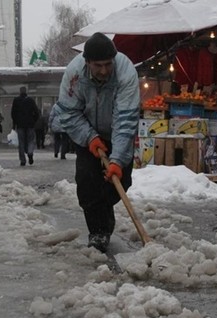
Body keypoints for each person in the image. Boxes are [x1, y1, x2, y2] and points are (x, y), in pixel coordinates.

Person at [54, 32, 140, 252]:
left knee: (117, 184)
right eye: (98, 65)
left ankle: (104, 213)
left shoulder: (125, 72)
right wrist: (90, 137)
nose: (104, 70)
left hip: (117, 132)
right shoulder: (74, 75)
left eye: (108, 64)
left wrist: (117, 160)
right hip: (87, 132)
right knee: (87, 182)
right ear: (87, 63)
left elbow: (125, 118)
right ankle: (98, 232)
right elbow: (69, 112)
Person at [11, 86, 40, 166]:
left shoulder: (16, 100)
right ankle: (30, 152)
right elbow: (36, 112)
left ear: (20, 92)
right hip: (30, 124)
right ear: (26, 91)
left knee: (21, 142)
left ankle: (22, 160)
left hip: (20, 125)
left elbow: (13, 113)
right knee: (31, 140)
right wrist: (33, 121)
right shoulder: (30, 100)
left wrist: (15, 123)